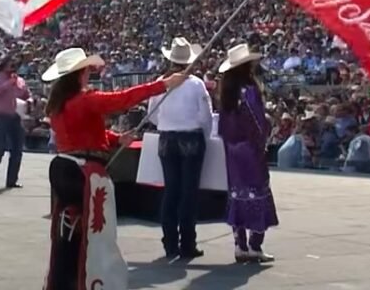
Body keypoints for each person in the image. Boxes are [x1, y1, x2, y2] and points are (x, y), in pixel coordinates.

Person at [42, 47, 185, 290]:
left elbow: (84, 134)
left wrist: (116, 138)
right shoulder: (85, 99)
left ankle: (65, 279)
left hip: (62, 166)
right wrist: (162, 85)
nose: (89, 73)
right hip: (83, 170)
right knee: (94, 230)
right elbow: (121, 99)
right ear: (79, 73)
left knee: (70, 230)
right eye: (86, 69)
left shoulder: (59, 104)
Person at [147, 38, 212, 260]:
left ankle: (170, 243)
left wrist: (167, 124)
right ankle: (187, 243)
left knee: (171, 191)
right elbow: (205, 117)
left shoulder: (160, 82)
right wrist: (205, 136)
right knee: (188, 193)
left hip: (167, 137)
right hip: (190, 137)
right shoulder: (195, 84)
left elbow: (153, 115)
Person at [217, 44, 279, 263]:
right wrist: (263, 137)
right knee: (258, 192)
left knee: (237, 194)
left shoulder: (227, 92)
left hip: (232, 149)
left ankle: (240, 245)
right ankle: (255, 245)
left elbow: (222, 126)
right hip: (249, 149)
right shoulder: (249, 90)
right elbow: (257, 121)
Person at [0, 57, 31, 189]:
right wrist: (8, 84)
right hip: (3, 116)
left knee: (17, 150)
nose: (13, 67)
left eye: (15, 65)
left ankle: (12, 180)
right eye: (11, 64)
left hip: (17, 117)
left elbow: (26, 94)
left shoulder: (20, 81)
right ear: (4, 65)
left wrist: (30, 100)